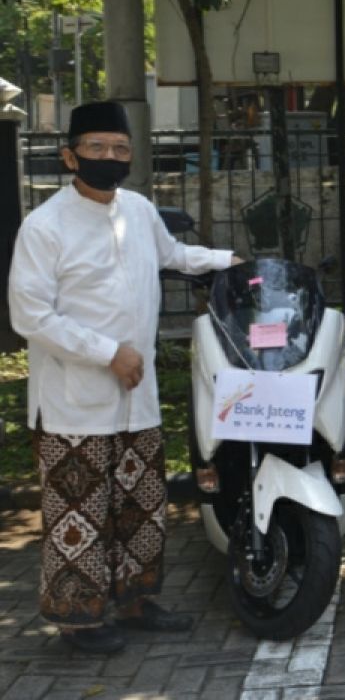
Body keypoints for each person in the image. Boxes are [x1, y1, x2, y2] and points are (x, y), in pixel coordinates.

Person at [8, 101, 241, 653]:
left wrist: (228, 261)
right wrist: (108, 351)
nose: (109, 158)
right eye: (96, 148)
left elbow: (174, 255)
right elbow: (30, 315)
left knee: (139, 503)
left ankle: (136, 601)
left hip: (137, 397)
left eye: (119, 148)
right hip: (75, 400)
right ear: (70, 156)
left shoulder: (136, 209)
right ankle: (78, 620)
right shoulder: (44, 227)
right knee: (79, 510)